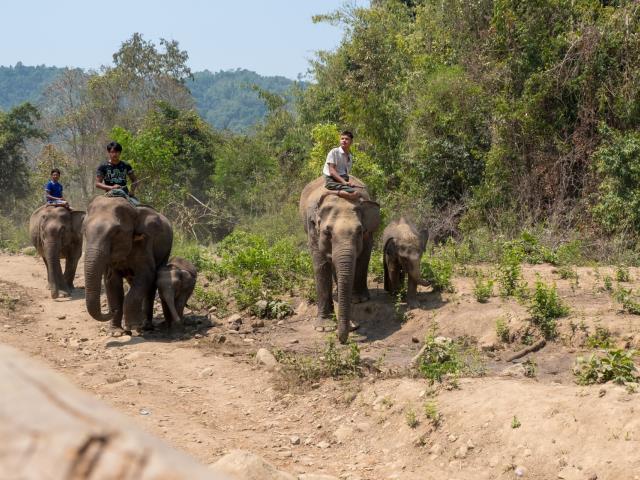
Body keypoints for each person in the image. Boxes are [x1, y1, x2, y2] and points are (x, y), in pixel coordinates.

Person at [323, 130, 360, 201]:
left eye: (346, 139)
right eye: (342, 139)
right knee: (355, 193)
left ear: (351, 142)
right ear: (340, 140)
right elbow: (332, 171)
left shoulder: (350, 156)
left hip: (343, 179)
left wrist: (347, 182)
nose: (344, 140)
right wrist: (344, 182)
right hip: (332, 180)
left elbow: (345, 172)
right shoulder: (334, 152)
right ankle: (330, 192)